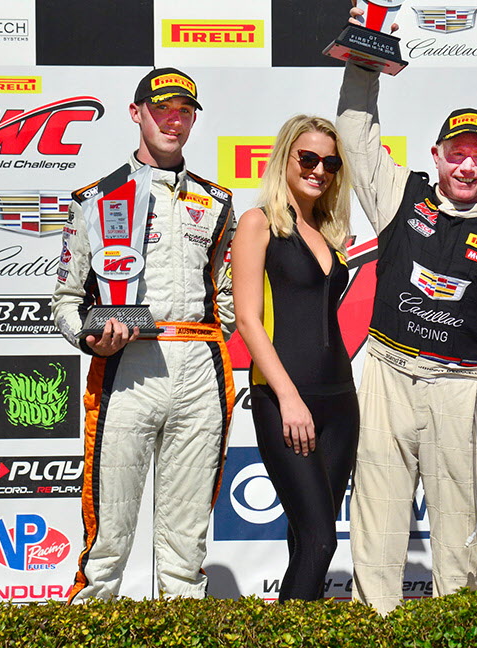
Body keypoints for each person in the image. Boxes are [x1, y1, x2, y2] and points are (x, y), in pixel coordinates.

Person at [336, 5, 477, 614]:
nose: (466, 164)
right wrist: (368, 49)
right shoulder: (402, 198)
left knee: (460, 541)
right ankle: (375, 627)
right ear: (436, 154)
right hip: (388, 373)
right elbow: (353, 132)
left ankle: (454, 631)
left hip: (462, 388)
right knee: (375, 528)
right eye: (457, 152)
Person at [52, 68, 236, 601]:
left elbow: (224, 298)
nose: (173, 121)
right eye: (162, 110)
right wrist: (92, 337)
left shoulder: (217, 201)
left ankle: (182, 633)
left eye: (184, 111)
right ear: (137, 113)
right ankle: (89, 627)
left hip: (200, 365)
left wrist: (212, 335)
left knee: (186, 543)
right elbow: (68, 299)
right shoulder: (96, 198)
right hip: (127, 368)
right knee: (108, 535)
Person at [230, 114, 356, 601]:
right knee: (321, 541)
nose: (318, 169)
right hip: (283, 398)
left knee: (307, 538)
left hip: (341, 402)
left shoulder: (327, 230)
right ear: (285, 157)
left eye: (329, 161)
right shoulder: (258, 222)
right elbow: (247, 320)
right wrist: (288, 397)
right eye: (307, 158)